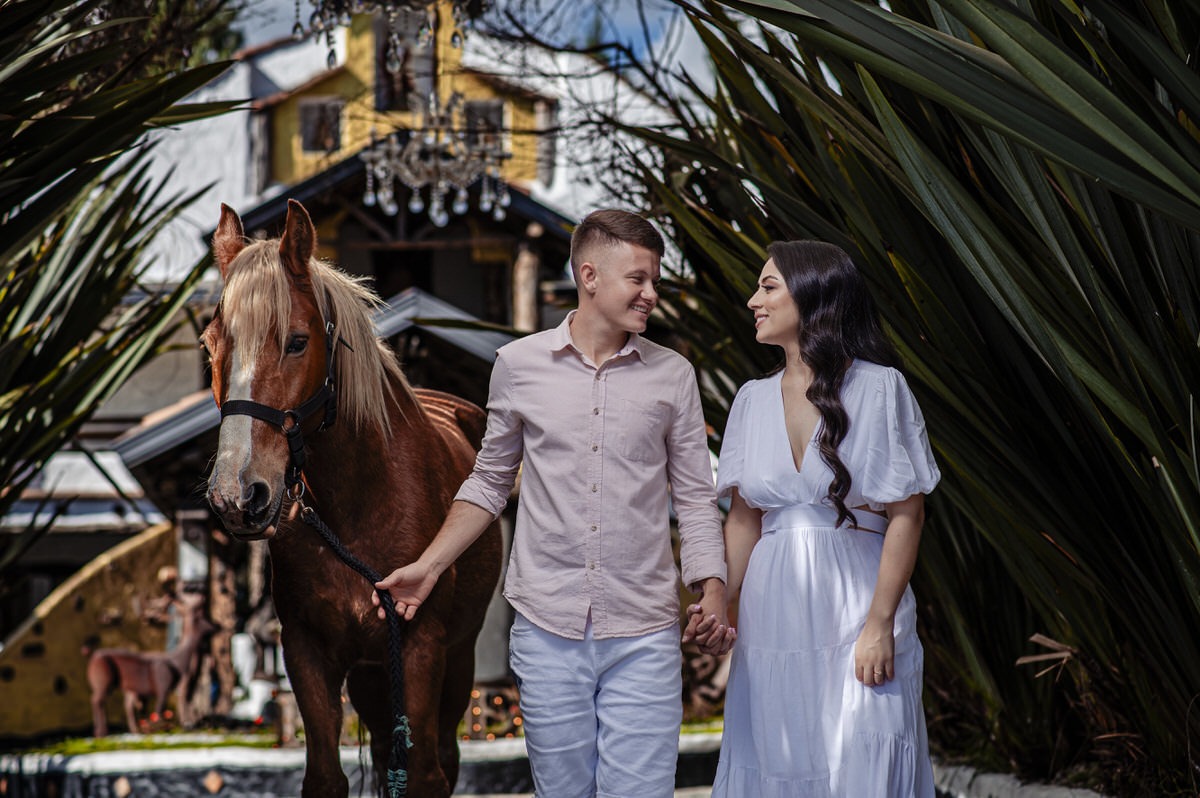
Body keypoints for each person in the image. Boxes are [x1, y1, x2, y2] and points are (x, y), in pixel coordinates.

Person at [372, 209, 729, 797]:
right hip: (546, 629)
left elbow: (694, 495)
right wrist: (429, 567)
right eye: (637, 278)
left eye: (655, 280)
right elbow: (489, 482)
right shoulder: (518, 366)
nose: (651, 293)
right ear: (589, 276)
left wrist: (711, 587)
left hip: (645, 631)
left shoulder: (674, 375)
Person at [688, 240, 940, 796]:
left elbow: (908, 513)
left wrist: (879, 623)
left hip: (859, 601)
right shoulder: (750, 399)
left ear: (813, 294)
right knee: (778, 756)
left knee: (868, 752)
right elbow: (744, 520)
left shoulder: (879, 386)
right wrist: (721, 602)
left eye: (768, 286)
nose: (753, 300)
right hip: (773, 612)